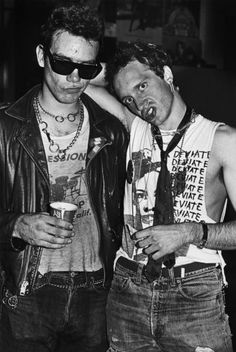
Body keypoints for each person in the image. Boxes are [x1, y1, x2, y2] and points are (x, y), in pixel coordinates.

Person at [87, 41, 236, 351]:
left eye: (143, 85)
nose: (139, 102)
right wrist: (115, 74)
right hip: (129, 285)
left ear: (167, 74)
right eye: (128, 98)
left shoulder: (223, 140)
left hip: (193, 291)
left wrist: (189, 232)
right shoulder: (134, 125)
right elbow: (78, 78)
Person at [0, 3, 128, 352]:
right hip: (29, 289)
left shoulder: (112, 131)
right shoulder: (6, 129)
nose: (74, 78)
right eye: (63, 64)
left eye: (86, 67)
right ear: (42, 56)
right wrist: (16, 225)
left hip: (96, 291)